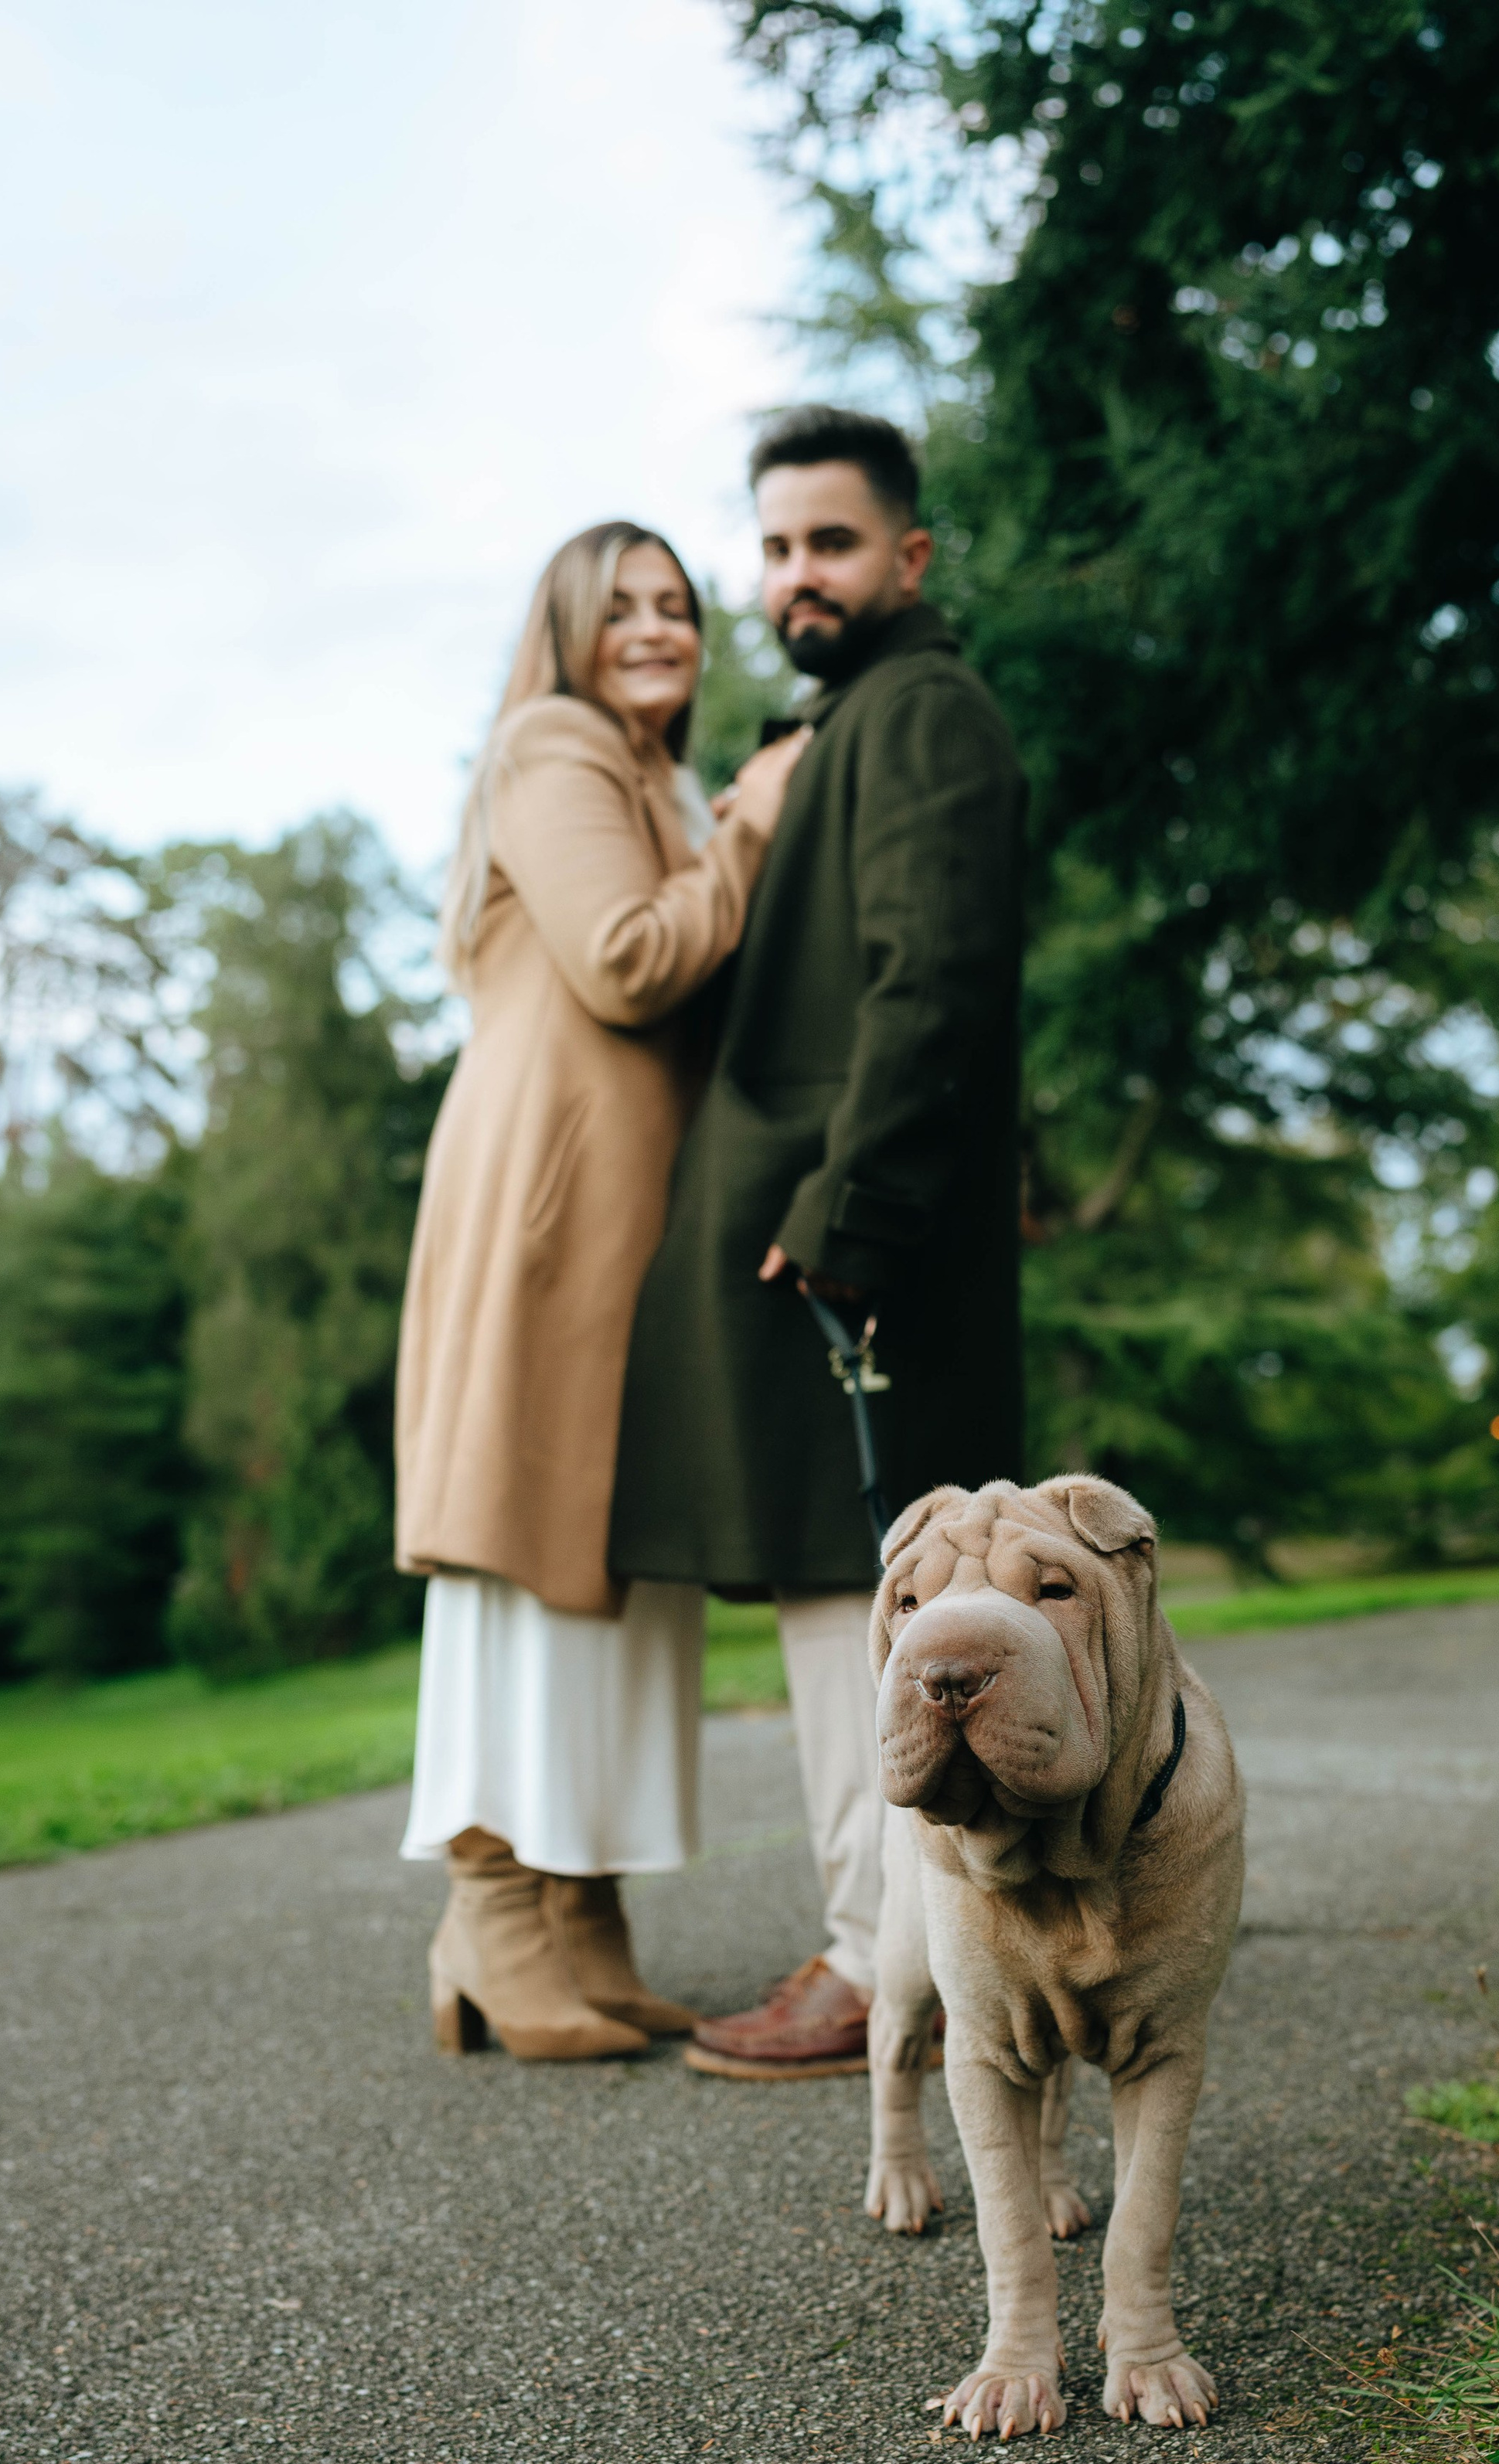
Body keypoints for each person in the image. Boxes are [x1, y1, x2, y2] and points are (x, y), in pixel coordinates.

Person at [610, 408, 1027, 2078]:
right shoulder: (849, 721)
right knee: (840, 1599)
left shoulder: (922, 715)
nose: (799, 576)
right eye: (777, 548)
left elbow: (933, 980)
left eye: (832, 544)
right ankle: (902, 1959)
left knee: (863, 1604)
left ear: (906, 557)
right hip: (818, 1237)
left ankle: (878, 1973)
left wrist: (848, 1216)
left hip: (849, 1248)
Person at [394, 522, 808, 2061]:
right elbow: (629, 959)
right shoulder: (556, 744)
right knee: (526, 1545)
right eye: (619, 606)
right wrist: (752, 825)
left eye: (675, 606)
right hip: (552, 1195)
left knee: (614, 1561)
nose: (655, 628)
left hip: (636, 1212)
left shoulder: (661, 777)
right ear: (564, 631)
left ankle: (581, 1910)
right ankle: (489, 1910)